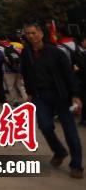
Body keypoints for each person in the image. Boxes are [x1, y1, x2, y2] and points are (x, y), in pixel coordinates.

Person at [21, 22, 83, 179]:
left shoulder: (55, 52)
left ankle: (76, 165)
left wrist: (75, 95)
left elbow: (69, 75)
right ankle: (60, 151)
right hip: (40, 97)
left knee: (70, 132)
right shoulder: (26, 53)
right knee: (45, 126)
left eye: (33, 33)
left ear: (41, 34)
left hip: (61, 96)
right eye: (27, 33)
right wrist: (29, 93)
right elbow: (26, 74)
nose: (30, 36)